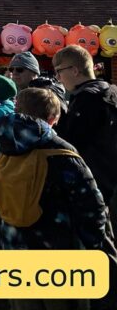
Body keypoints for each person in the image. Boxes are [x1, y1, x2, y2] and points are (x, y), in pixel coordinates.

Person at [0, 87, 117, 310]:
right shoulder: (61, 151)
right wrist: (93, 245)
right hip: (59, 253)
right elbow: (92, 207)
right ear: (53, 118)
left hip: (11, 248)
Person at [53, 44, 117, 229]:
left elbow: (71, 144)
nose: (58, 78)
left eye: (59, 71)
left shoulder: (86, 98)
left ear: (74, 70)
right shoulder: (111, 91)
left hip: (96, 185)